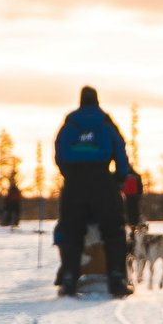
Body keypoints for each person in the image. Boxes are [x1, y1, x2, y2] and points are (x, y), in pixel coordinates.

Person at [52, 86, 132, 296]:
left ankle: (69, 278)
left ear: (80, 101)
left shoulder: (70, 123)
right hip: (102, 180)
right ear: (96, 101)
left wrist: (68, 174)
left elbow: (59, 152)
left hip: (74, 183)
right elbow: (120, 149)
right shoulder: (105, 122)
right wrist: (120, 177)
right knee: (113, 230)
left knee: (71, 230)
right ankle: (116, 278)